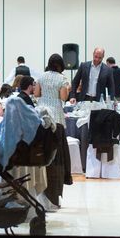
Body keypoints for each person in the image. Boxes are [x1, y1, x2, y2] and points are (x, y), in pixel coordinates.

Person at [34, 53, 72, 207]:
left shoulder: (41, 77)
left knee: (42, 156)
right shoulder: (62, 79)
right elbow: (63, 97)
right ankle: (53, 196)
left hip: (41, 118)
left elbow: (36, 94)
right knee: (56, 158)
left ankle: (41, 194)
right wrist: (67, 89)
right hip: (56, 118)